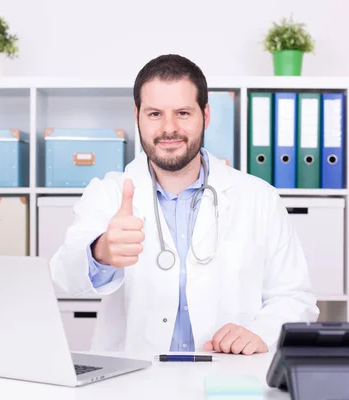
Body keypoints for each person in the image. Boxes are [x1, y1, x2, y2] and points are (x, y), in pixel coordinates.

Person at [49, 54, 319, 355]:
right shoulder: (108, 193)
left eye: (182, 113)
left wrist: (259, 333)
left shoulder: (259, 198)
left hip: (228, 378)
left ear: (206, 114)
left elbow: (296, 298)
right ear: (137, 115)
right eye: (154, 114)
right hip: (136, 381)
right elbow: (64, 278)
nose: (168, 128)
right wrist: (101, 253)